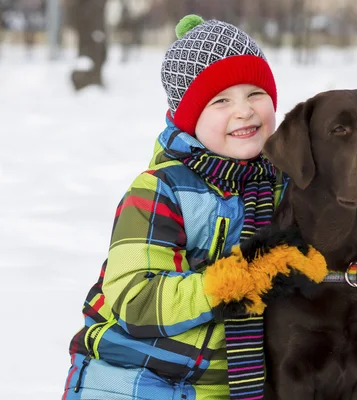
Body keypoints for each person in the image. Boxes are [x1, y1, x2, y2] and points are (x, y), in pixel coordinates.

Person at [62, 15, 328, 400]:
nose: (244, 111)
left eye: (255, 93)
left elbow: (336, 232)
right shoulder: (161, 190)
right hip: (132, 376)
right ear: (190, 119)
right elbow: (135, 300)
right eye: (221, 101)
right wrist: (235, 281)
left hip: (221, 386)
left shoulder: (285, 181)